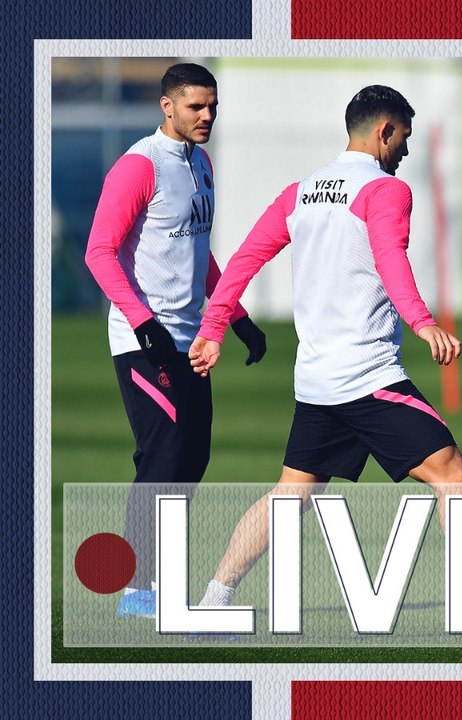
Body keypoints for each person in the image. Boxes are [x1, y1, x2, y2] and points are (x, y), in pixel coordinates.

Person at [187, 85, 462, 610]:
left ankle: (214, 599)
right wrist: (421, 322)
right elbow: (390, 258)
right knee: (453, 475)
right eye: (404, 138)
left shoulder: (300, 191)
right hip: (368, 377)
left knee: (292, 494)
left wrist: (212, 329)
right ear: (384, 131)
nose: (406, 152)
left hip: (318, 382)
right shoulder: (386, 190)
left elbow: (243, 260)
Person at [84, 62, 267, 620]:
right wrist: (142, 321)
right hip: (147, 340)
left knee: (191, 454)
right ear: (167, 107)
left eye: (213, 106)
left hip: (191, 341)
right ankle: (138, 589)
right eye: (196, 107)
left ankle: (155, 579)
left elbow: (200, 256)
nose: (208, 115)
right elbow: (99, 251)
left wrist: (236, 318)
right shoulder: (139, 166)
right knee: (163, 455)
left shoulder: (200, 162)